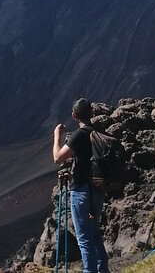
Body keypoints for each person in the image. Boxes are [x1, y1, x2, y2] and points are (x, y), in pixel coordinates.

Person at [53, 98, 109, 273]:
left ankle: (90, 270)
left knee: (84, 237)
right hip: (97, 190)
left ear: (74, 115)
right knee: (94, 233)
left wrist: (57, 136)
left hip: (81, 193)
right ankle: (102, 269)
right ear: (91, 113)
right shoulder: (96, 132)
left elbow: (57, 158)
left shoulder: (79, 135)